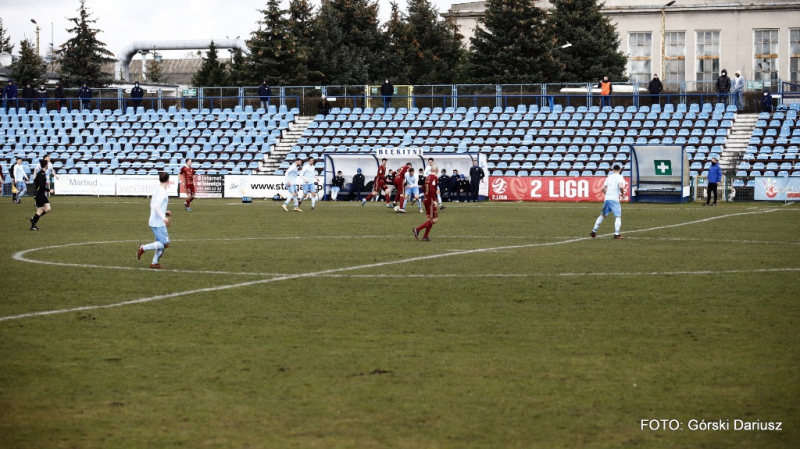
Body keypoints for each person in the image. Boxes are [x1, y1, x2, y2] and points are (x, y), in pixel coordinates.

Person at [137, 172, 172, 269]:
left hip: (154, 220)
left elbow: (153, 205)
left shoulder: (157, 190)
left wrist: (165, 212)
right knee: (165, 244)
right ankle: (143, 248)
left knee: (160, 243)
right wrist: (164, 218)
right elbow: (157, 206)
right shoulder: (163, 192)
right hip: (158, 222)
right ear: (168, 181)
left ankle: (154, 263)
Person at [590, 164, 626, 239]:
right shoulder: (620, 177)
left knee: (602, 215)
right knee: (618, 216)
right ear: (620, 170)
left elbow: (602, 188)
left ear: (613, 170)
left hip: (607, 198)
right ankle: (616, 234)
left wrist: (608, 194)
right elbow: (621, 186)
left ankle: (594, 231)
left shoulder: (609, 177)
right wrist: (622, 194)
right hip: (614, 199)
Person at [413, 165, 439, 242]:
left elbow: (424, 187)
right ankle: (417, 229)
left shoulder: (427, 177)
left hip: (426, 199)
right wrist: (434, 199)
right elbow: (431, 188)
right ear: (437, 171)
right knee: (435, 219)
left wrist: (425, 196)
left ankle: (425, 236)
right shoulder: (434, 178)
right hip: (430, 200)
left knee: (431, 219)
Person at [29, 160, 52, 231]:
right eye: (47, 164)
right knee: (40, 210)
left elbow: (36, 182)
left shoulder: (41, 173)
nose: (48, 165)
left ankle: (34, 218)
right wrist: (49, 190)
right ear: (45, 165)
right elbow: (41, 185)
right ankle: (33, 225)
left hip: (41, 193)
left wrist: (44, 185)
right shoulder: (41, 174)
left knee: (48, 208)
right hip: (39, 194)